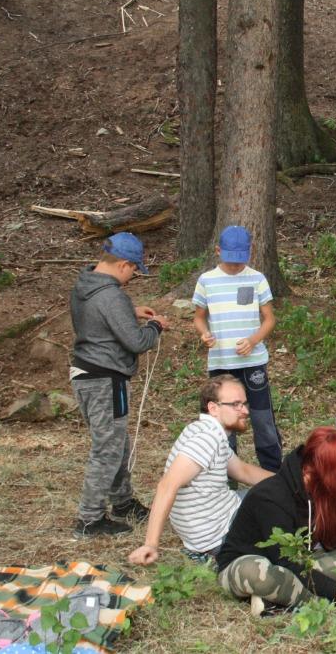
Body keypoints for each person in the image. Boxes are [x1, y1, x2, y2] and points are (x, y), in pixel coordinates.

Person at [70, 232, 170, 538]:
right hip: (105, 379)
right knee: (108, 449)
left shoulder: (85, 283)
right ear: (124, 264)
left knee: (117, 444)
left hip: (85, 373)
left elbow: (97, 316)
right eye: (134, 270)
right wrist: (155, 326)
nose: (133, 276)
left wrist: (130, 312)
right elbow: (137, 341)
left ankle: (123, 502)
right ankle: (89, 519)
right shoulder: (112, 296)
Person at [217, 427, 336, 616]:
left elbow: (333, 545)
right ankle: (323, 603)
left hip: (299, 563)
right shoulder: (270, 496)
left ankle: (276, 599)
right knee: (259, 572)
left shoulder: (324, 491)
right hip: (251, 564)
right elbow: (285, 560)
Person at [127, 375, 274, 565]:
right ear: (213, 408)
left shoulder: (205, 430)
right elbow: (167, 485)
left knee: (277, 494)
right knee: (286, 509)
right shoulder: (206, 439)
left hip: (222, 511)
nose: (245, 411)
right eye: (235, 405)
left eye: (244, 404)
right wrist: (151, 544)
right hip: (220, 533)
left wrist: (288, 482)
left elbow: (242, 471)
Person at [193, 225, 282, 472]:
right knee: (225, 418)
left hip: (253, 363)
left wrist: (253, 340)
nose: (235, 266)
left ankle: (273, 472)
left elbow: (269, 319)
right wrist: (204, 333)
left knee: (262, 417)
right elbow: (199, 317)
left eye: (240, 260)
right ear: (218, 251)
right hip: (221, 364)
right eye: (230, 260)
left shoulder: (257, 279)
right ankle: (226, 472)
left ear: (250, 252)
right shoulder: (206, 281)